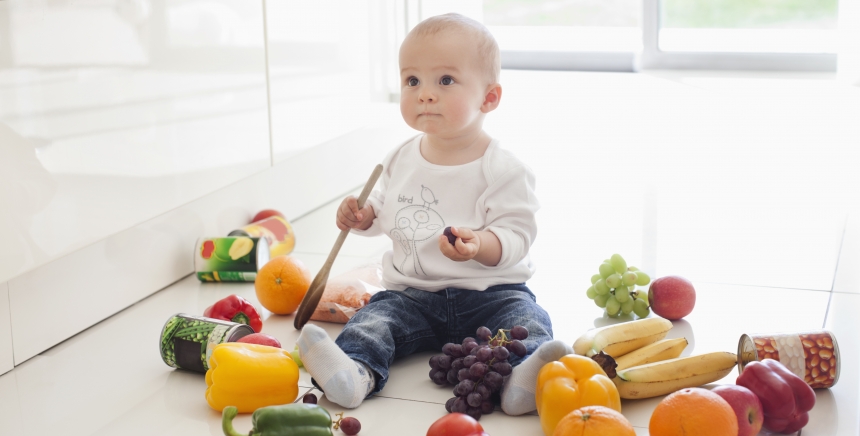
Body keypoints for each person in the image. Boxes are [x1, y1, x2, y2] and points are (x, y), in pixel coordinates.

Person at [296, 12, 571, 415]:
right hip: (412, 294)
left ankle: (519, 380)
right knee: (374, 321)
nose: (425, 93)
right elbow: (387, 213)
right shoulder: (400, 158)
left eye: (445, 80)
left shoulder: (503, 169)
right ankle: (355, 372)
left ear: (489, 98)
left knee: (526, 319)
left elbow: (516, 235)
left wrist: (480, 245)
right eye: (412, 81)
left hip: (490, 294)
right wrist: (364, 216)